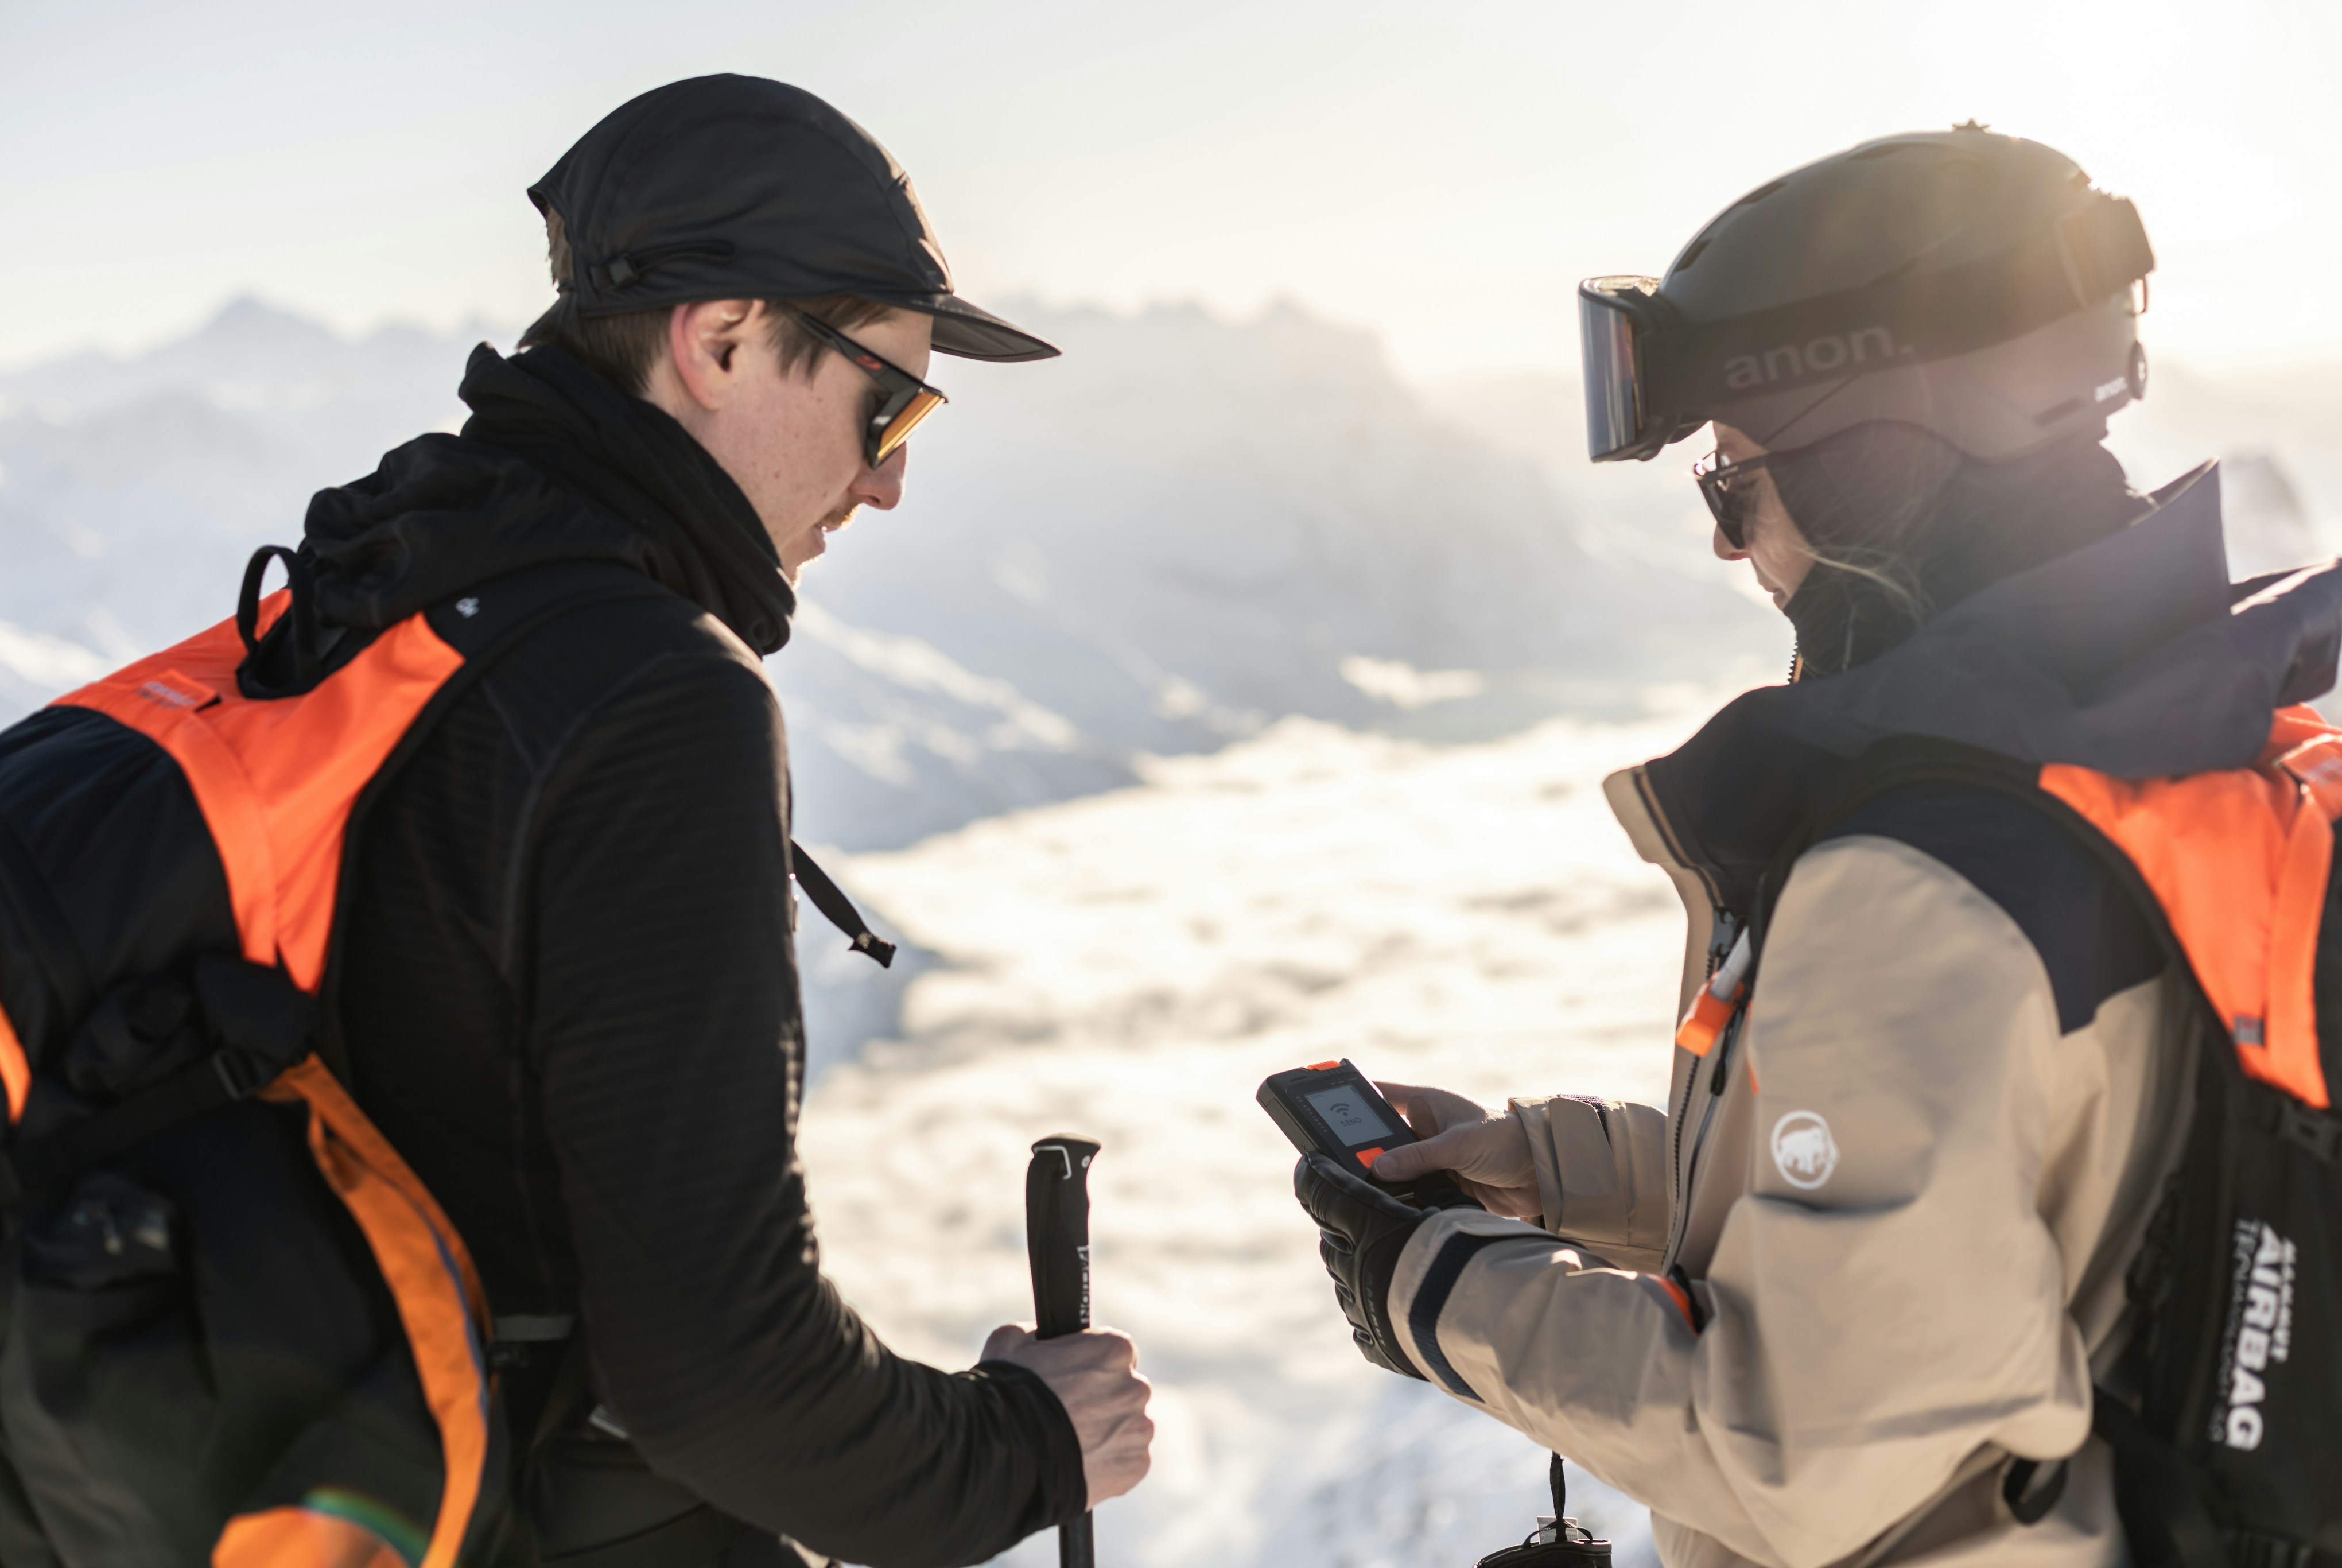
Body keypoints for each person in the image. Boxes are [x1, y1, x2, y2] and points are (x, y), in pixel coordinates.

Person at [1290, 126, 2326, 1566]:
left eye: (1735, 481)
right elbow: (1979, 1214)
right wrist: (1559, 1174)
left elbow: (1791, 1449)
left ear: (1878, 465)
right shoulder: (2197, 737)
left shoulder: (1921, 880)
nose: (1730, 547)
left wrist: (1439, 1290)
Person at [309, 76, 1150, 1566]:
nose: (889, 478)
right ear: (720, 342)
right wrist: (1027, 1439)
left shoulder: (398, 591)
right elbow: (720, 1377)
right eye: (888, 401)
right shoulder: (647, 695)